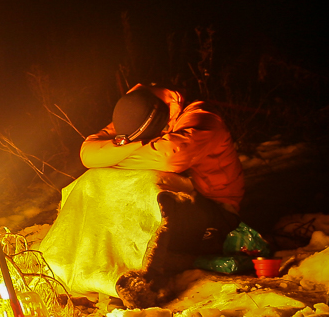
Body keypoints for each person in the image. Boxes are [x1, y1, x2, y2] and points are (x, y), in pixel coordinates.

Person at [80, 83, 246, 255]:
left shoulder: (203, 118)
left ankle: (148, 271)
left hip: (218, 210)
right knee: (95, 178)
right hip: (182, 198)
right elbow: (88, 154)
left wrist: (116, 154)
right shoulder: (135, 110)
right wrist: (131, 147)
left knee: (150, 185)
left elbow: (169, 157)